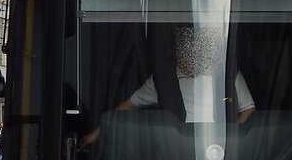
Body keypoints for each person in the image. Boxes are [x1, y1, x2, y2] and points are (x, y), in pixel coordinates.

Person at [80, 26, 254, 148]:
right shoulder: (162, 80)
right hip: (176, 152)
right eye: (185, 49)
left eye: (194, 49)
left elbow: (248, 109)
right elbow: (127, 106)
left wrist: (232, 140)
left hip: (219, 148)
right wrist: (97, 133)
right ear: (177, 50)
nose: (189, 54)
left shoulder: (228, 74)